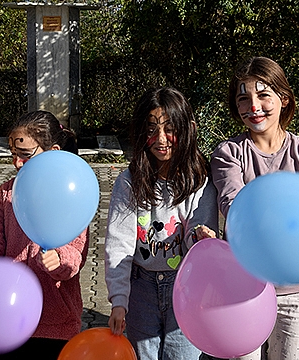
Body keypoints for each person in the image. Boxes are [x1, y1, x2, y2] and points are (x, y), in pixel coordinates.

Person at [208, 56, 299, 360]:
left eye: (263, 95)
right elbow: (233, 204)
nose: (253, 105)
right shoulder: (229, 153)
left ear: (284, 99)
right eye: (243, 98)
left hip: (297, 288)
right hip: (243, 286)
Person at [0, 110, 88, 360]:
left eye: (25, 155)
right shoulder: (7, 193)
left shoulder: (71, 193)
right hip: (10, 316)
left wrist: (60, 259)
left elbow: (78, 248)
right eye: (13, 155)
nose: (17, 162)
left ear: (53, 152)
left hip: (56, 322)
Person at [105, 87, 219, 360]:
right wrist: (119, 301)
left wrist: (202, 238)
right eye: (151, 129)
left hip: (187, 289)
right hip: (140, 288)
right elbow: (118, 243)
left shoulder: (201, 180)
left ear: (188, 129)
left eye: (170, 129)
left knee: (183, 356)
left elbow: (196, 235)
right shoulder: (128, 181)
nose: (160, 139)